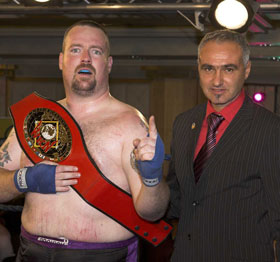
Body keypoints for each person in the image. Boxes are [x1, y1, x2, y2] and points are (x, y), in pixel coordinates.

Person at [0, 20, 170, 261]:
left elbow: (153, 213)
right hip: (32, 251)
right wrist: (23, 179)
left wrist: (152, 178)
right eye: (76, 49)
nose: (86, 58)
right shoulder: (34, 120)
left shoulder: (130, 123)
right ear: (61, 60)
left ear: (108, 64)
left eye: (96, 51)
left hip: (101, 255)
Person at [167, 29, 280, 261]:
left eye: (229, 69)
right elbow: (176, 201)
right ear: (198, 67)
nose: (217, 81)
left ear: (246, 70)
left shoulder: (271, 130)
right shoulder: (183, 123)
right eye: (208, 68)